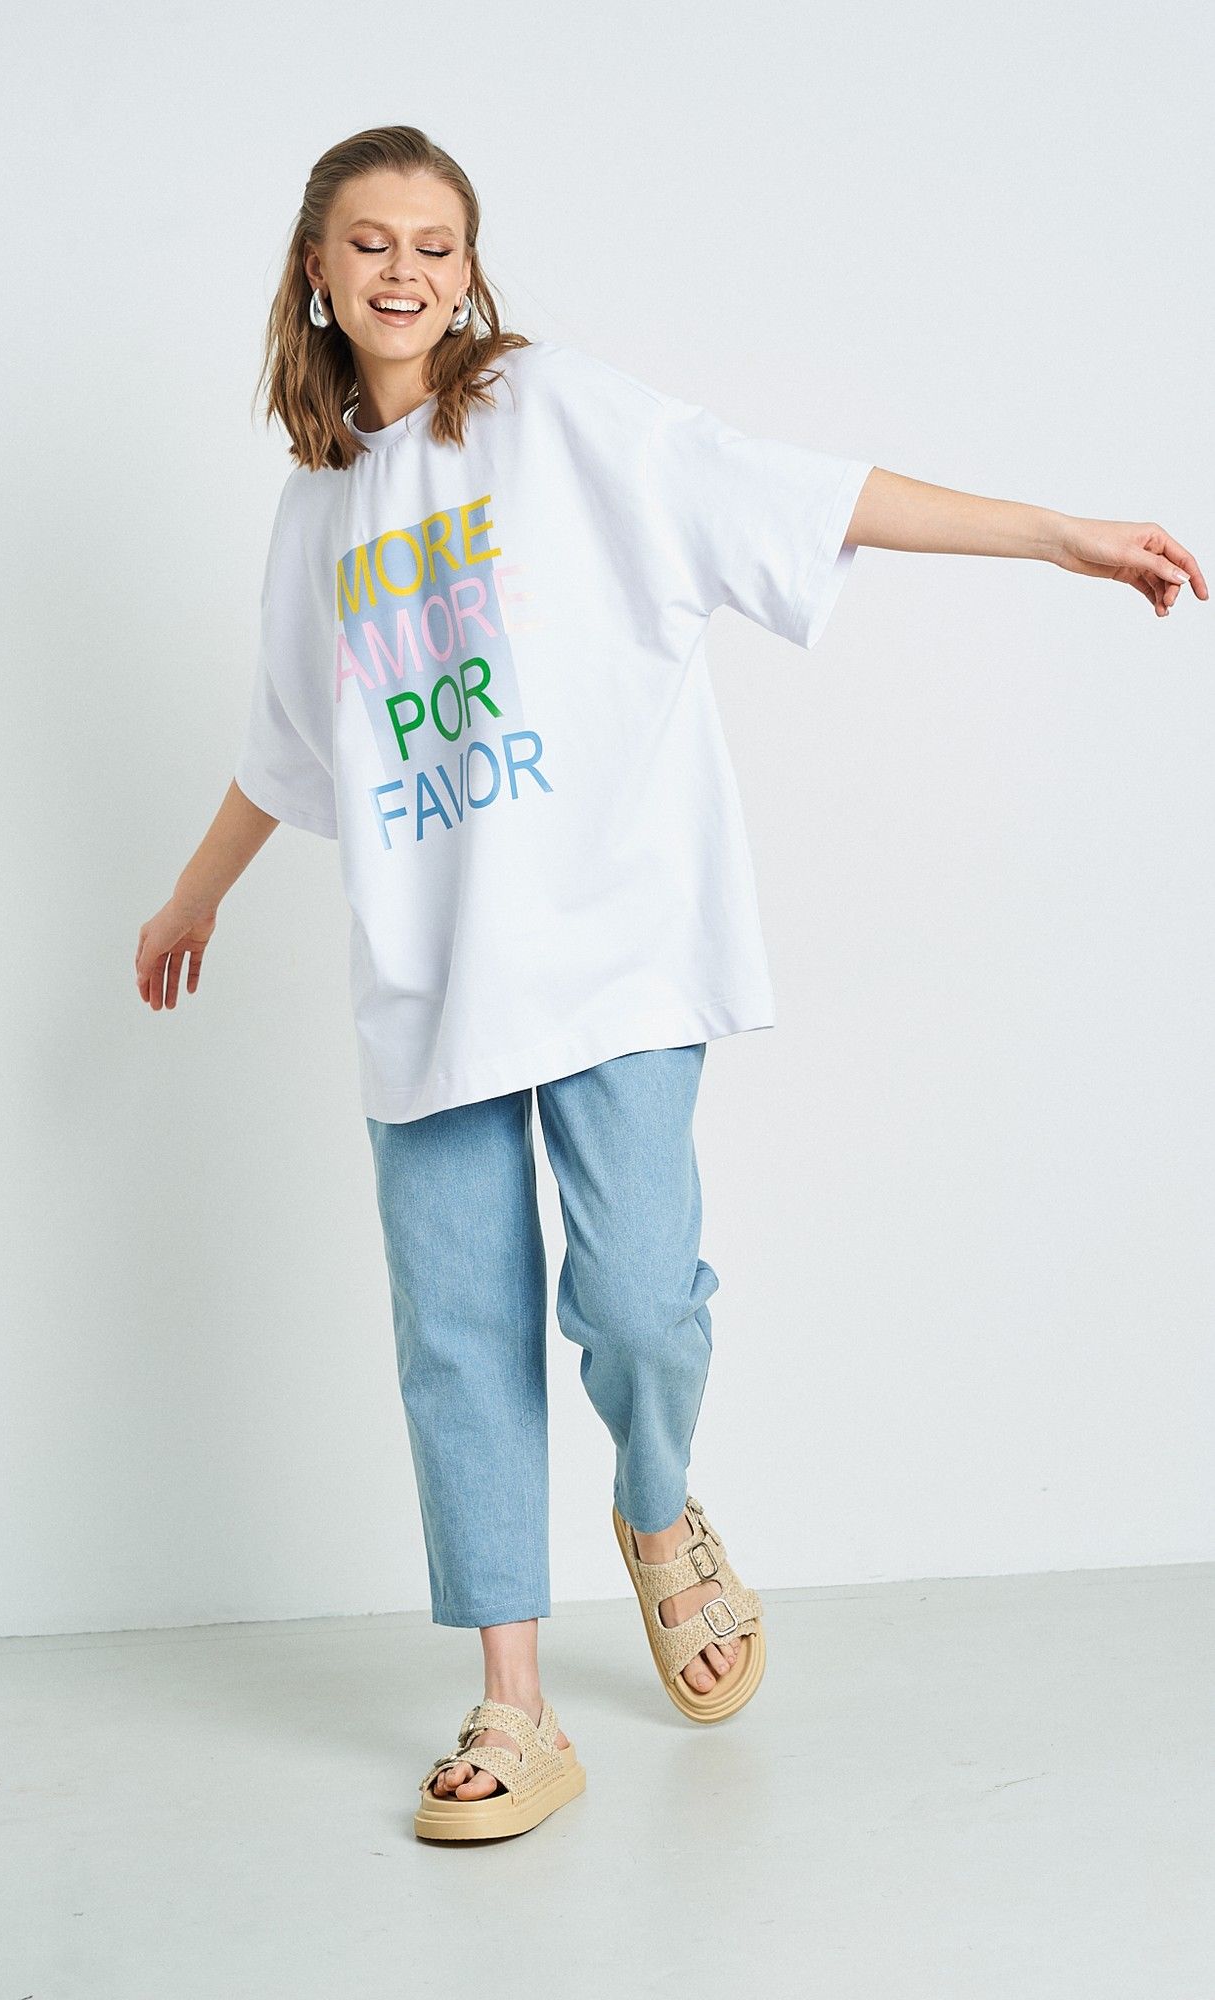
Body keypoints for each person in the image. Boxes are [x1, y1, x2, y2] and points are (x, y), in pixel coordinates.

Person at [135, 124, 1206, 1844]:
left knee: (636, 1303)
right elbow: (286, 746)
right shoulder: (313, 509)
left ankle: (654, 1507)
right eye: (369, 242)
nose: (403, 270)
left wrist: (1049, 536)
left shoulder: (550, 414)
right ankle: (514, 1705)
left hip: (612, 952)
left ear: (468, 273)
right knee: (458, 1344)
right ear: (316, 272)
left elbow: (786, 489)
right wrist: (192, 897)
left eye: (434, 243)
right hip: (427, 983)